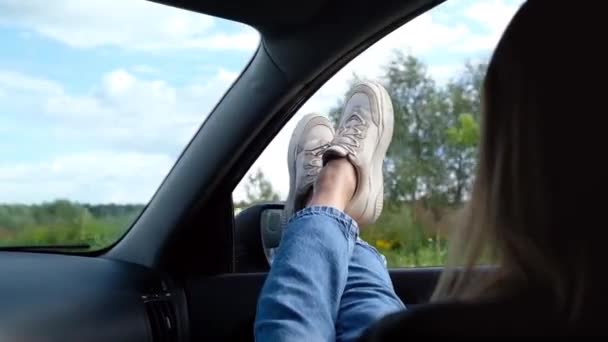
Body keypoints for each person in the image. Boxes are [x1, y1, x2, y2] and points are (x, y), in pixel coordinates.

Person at [255, 1, 606, 339]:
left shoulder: (429, 332)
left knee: (298, 324)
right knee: (364, 315)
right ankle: (328, 208)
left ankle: (325, 201)